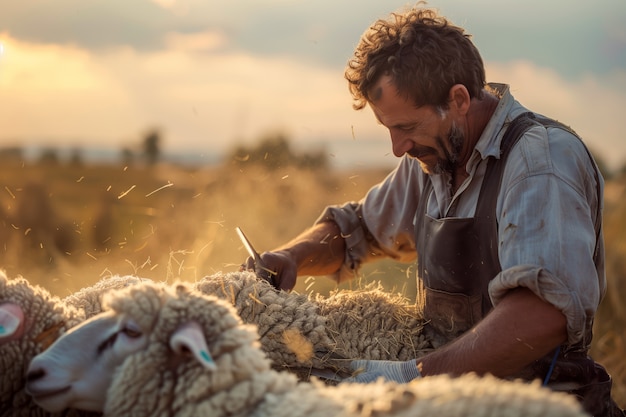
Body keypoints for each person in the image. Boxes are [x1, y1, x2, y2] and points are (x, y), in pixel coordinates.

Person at [241, 4, 624, 416]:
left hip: (541, 405)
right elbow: (359, 229)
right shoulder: (433, 160)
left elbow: (543, 314)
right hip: (450, 402)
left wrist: (410, 377)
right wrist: (293, 255)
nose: (397, 148)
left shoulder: (539, 160)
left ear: (458, 99)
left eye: (406, 127)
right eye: (388, 129)